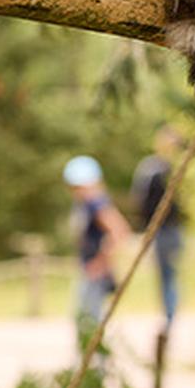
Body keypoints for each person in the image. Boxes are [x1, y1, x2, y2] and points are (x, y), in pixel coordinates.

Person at [64, 154, 132, 338]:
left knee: (90, 320)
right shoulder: (85, 204)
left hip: (96, 273)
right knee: (85, 318)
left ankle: (98, 364)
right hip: (87, 268)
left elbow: (119, 231)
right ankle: (91, 362)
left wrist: (101, 262)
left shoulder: (96, 203)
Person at [127, 124, 186, 330]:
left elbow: (139, 201)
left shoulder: (163, 168)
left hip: (168, 230)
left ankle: (169, 318)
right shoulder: (159, 169)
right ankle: (169, 316)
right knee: (168, 275)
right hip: (166, 229)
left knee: (168, 276)